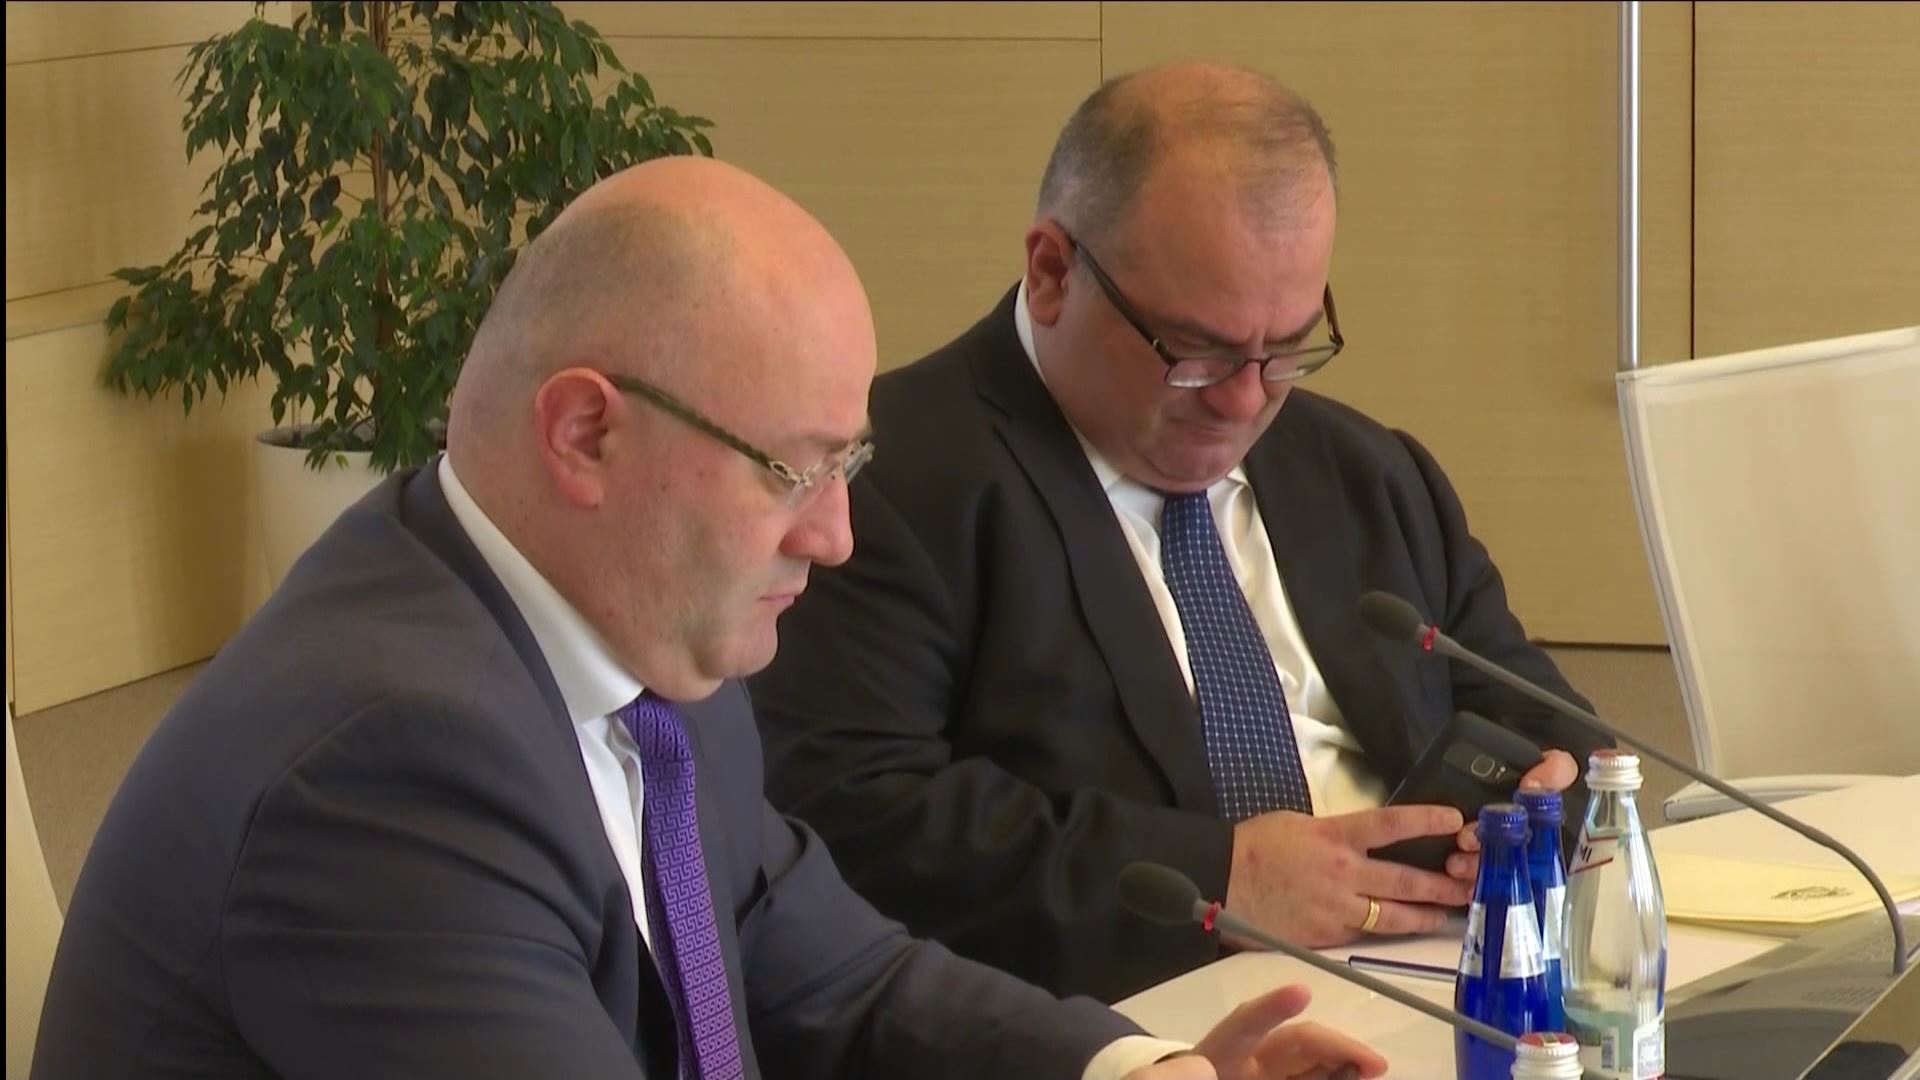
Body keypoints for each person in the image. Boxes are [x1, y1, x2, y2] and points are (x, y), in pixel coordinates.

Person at [31, 157, 1388, 1080]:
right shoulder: (388, 769)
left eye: (849, 466)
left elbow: (828, 966)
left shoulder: (641, 639)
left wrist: (1127, 1070)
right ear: (585, 434)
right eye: (794, 471)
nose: (835, 535)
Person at [746, 61, 1611, 1005]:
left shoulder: (1370, 474)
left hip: (1448, 982)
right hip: (1136, 1014)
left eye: (1287, 347)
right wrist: (1223, 879)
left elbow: (1546, 722)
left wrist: (1548, 803)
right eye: (1196, 351)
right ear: (1052, 272)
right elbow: (856, 820)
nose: (1244, 401)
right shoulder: (887, 482)